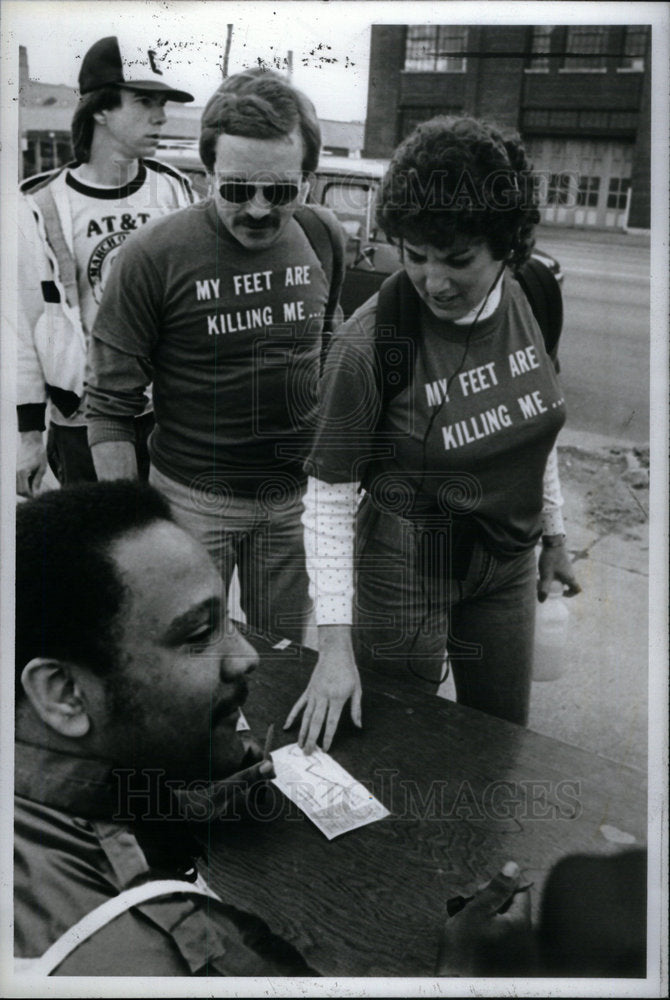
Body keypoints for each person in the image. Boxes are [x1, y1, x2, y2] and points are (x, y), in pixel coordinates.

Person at [286, 115, 581, 752]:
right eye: (415, 255)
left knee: (500, 741)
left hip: (506, 563)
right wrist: (335, 648)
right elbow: (329, 498)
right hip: (404, 559)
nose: (434, 281)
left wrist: (555, 534)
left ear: (507, 245)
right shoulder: (370, 342)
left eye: (458, 259)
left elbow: (536, 422)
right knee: (398, 747)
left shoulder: (531, 293)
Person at [84, 69, 345, 645]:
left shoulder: (323, 234)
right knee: (190, 658)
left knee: (279, 655)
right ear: (207, 173)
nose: (257, 209)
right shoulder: (152, 256)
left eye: (280, 191)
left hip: (292, 501)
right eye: (235, 189)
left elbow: (328, 351)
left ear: (307, 178)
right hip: (190, 504)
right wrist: (137, 526)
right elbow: (108, 404)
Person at [14, 481, 315, 976]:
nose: (246, 657)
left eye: (230, 619)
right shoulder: (145, 958)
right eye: (198, 634)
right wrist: (463, 975)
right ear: (64, 692)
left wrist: (163, 809)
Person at [16, 35, 196, 497]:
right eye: (144, 102)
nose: (161, 116)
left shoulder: (174, 191)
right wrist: (27, 436)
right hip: (84, 419)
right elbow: (20, 325)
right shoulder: (41, 205)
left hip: (169, 415)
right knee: (100, 554)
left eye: (163, 103)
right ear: (101, 108)